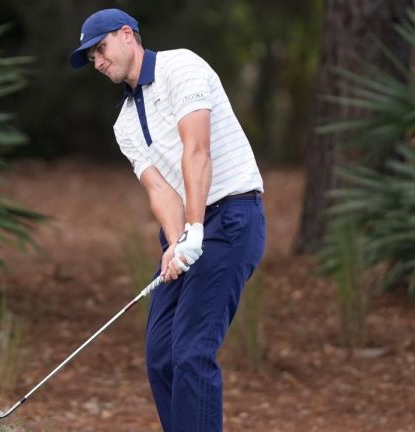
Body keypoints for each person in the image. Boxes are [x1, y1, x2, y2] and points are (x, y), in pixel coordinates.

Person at [69, 9, 266, 432]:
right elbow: (160, 190)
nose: (98, 62)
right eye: (91, 59)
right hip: (189, 231)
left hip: (232, 217)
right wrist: (178, 240)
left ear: (127, 35)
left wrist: (194, 229)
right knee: (161, 355)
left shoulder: (183, 66)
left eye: (100, 49)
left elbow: (197, 151)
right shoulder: (123, 123)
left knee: (192, 352)